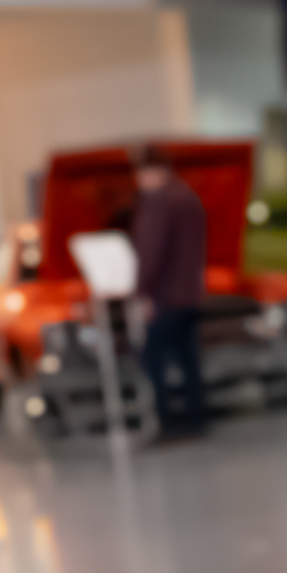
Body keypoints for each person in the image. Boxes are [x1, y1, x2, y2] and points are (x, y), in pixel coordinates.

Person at [124, 143, 210, 441]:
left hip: (165, 296)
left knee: (153, 361)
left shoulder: (159, 202)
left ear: (153, 172)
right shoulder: (188, 197)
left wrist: (141, 291)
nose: (138, 180)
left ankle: (165, 424)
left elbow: (151, 251)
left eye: (140, 173)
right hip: (190, 294)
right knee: (189, 360)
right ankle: (197, 419)